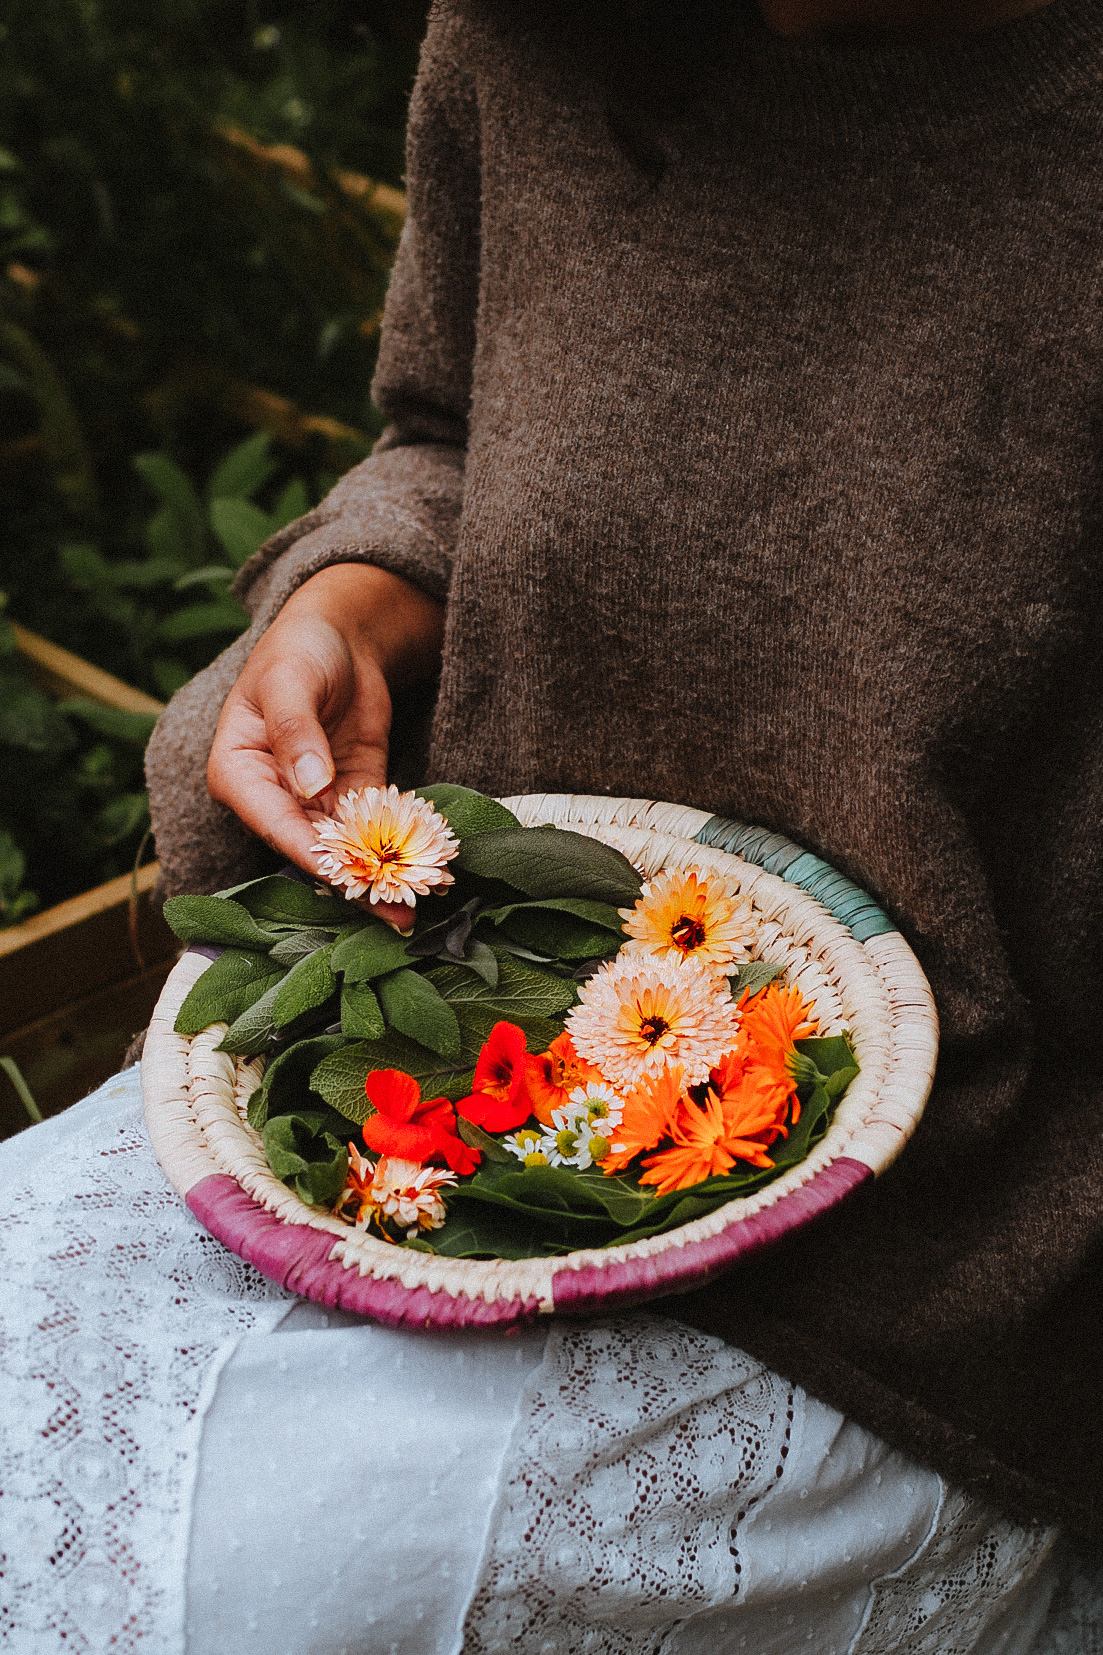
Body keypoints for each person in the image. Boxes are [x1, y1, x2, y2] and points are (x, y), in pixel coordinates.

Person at [3, 0, 1103, 1648]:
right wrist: (345, 613)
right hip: (474, 999)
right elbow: (447, 428)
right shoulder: (537, 35)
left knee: (271, 1588)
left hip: (943, 1222)